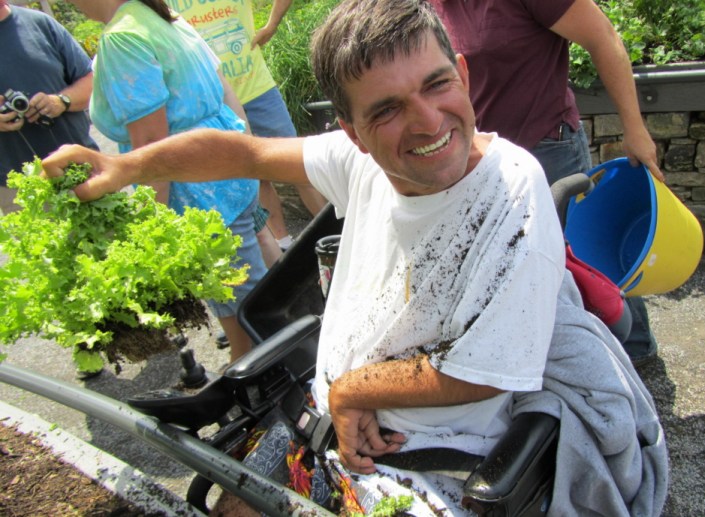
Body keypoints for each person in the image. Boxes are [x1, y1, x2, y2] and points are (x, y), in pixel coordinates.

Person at [43, 1, 668, 514]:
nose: (428, 123)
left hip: (428, 462)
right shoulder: (360, 164)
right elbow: (247, 154)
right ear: (351, 130)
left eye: (437, 84)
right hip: (323, 422)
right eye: (387, 109)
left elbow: (485, 372)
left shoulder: (511, 187)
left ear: (465, 78)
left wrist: (349, 390)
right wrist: (127, 165)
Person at [429, 0, 662, 365]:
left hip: (548, 147)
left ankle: (633, 348)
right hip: (486, 158)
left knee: (585, 256)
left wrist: (634, 128)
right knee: (513, 264)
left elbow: (603, 37)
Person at [67, 0, 267, 363]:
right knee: (259, 275)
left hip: (195, 186)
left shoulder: (122, 37)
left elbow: (149, 147)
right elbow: (226, 92)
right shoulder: (161, 17)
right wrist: (248, 152)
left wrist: (150, 231)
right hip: (226, 159)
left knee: (240, 302)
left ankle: (263, 380)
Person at [167, 0, 327, 251]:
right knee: (256, 176)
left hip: (258, 89)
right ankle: (284, 244)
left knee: (300, 164)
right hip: (215, 102)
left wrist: (271, 25)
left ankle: (334, 234)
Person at [0, 0, 98, 216]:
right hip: (19, 191)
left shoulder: (39, 23)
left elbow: (92, 81)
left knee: (114, 246)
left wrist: (61, 101)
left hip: (82, 169)